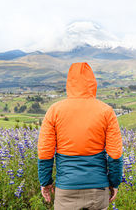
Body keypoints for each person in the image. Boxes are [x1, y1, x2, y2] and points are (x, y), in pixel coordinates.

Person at [37, 62, 123, 210]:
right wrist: (114, 183)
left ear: (69, 83)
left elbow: (45, 153)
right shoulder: (106, 111)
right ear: (93, 83)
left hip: (66, 190)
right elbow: (115, 155)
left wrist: (45, 182)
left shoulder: (55, 110)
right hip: (98, 189)